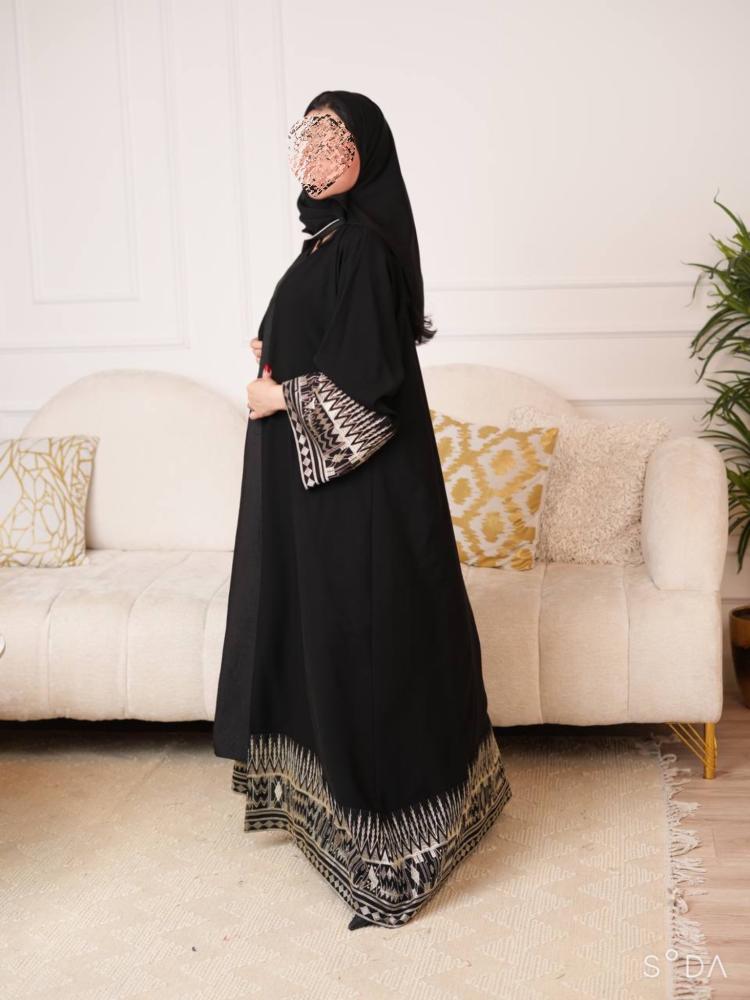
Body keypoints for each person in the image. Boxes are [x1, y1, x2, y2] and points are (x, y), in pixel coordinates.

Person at [212, 89, 512, 930]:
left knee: (373, 650)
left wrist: (278, 398)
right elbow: (335, 344)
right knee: (322, 642)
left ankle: (394, 853)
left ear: (367, 154)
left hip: (363, 502)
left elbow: (370, 390)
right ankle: (333, 818)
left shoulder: (367, 249)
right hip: (318, 499)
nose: (317, 147)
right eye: (309, 132)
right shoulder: (325, 243)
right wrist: (278, 348)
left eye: (335, 135)